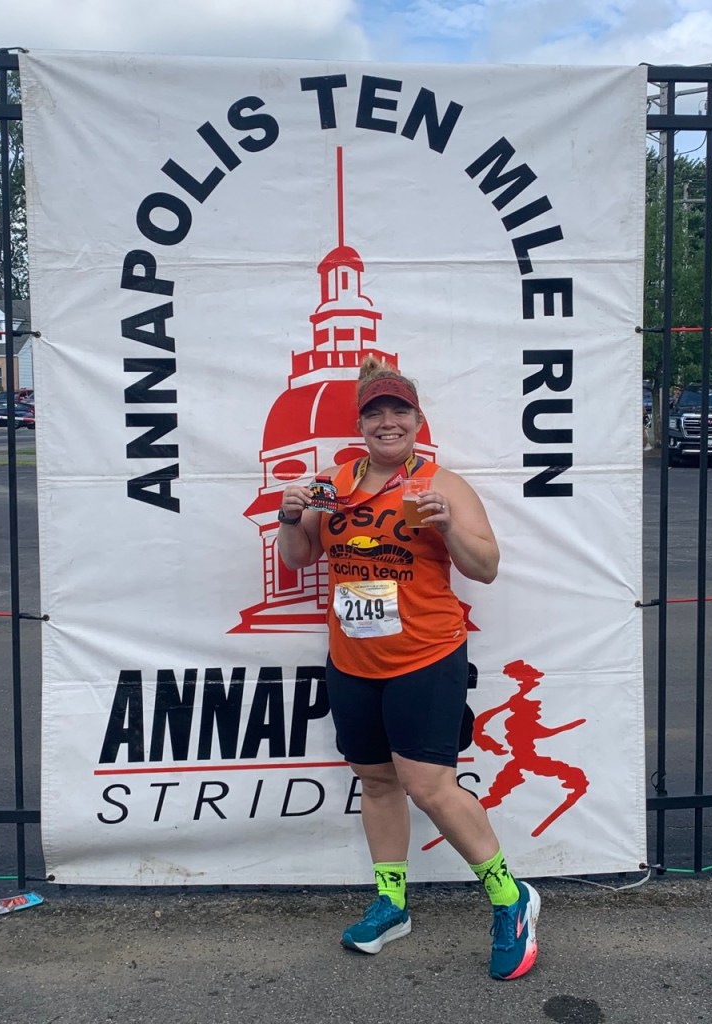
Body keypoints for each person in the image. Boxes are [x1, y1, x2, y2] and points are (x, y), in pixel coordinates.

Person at [277, 355, 539, 981]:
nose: (387, 422)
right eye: (376, 413)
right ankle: (391, 903)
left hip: (425, 656)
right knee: (376, 780)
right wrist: (288, 517)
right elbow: (298, 557)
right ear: (361, 424)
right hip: (353, 660)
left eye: (400, 411)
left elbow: (485, 568)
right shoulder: (334, 484)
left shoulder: (441, 485)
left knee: (429, 785)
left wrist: (448, 528)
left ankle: (512, 899)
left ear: (418, 421)